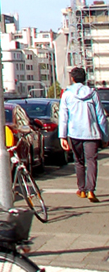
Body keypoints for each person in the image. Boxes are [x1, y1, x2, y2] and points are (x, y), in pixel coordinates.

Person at [58, 66, 109, 202]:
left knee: (79, 161)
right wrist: (105, 136)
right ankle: (91, 190)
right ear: (85, 79)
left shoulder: (67, 94)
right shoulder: (93, 93)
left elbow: (63, 116)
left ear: (72, 79)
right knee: (92, 161)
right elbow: (101, 117)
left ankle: (81, 189)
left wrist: (62, 136)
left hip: (74, 133)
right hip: (91, 133)